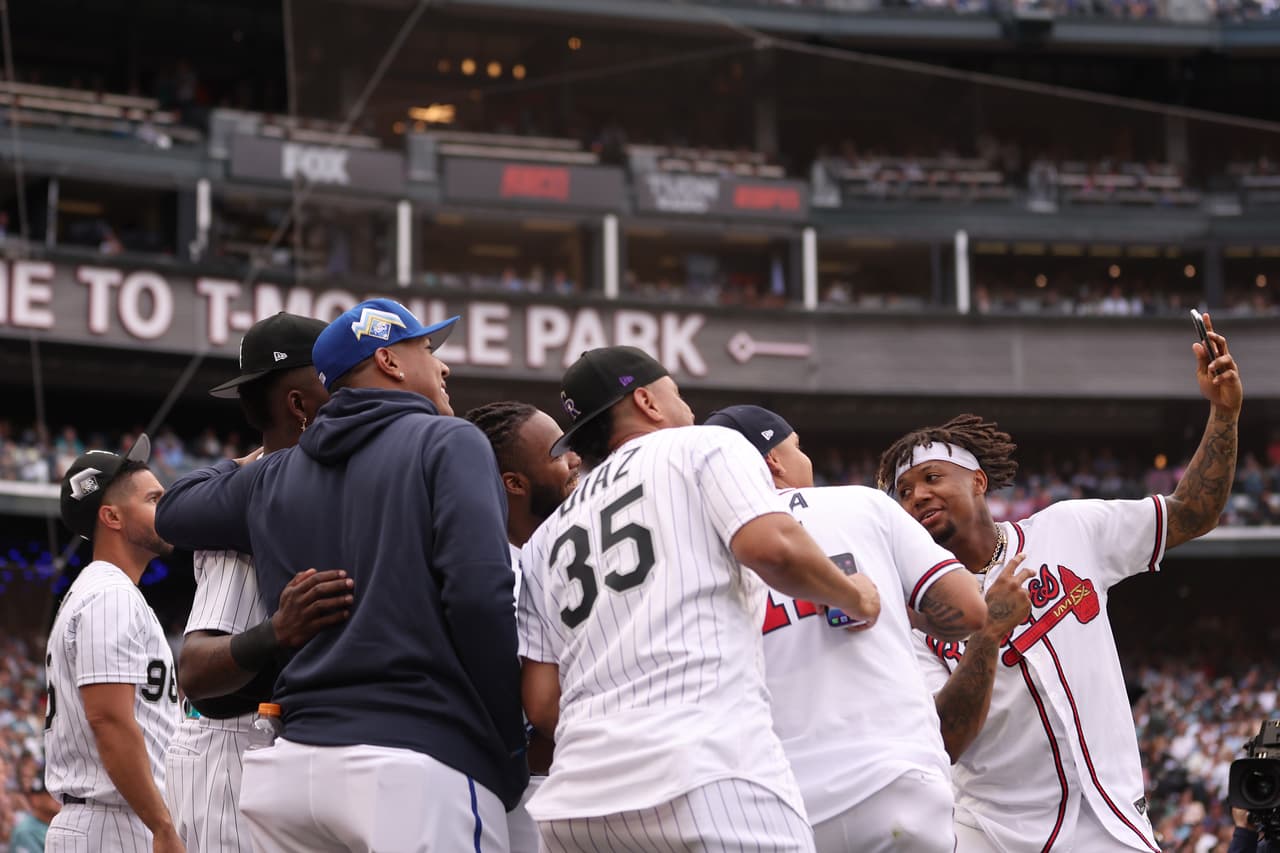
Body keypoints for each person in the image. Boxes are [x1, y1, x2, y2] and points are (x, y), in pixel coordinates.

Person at [156, 298, 526, 852]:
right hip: (414, 761)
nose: (443, 365)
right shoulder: (450, 440)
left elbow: (173, 510)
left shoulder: (273, 475)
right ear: (389, 361)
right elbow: (479, 598)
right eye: (427, 348)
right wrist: (508, 745)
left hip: (293, 774)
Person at [876, 314, 1242, 852]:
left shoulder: (1068, 529)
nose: (918, 496)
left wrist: (1224, 414)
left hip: (1110, 821)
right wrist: (989, 632)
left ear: (978, 481)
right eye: (904, 492)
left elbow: (1192, 511)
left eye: (931, 478)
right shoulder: (913, 619)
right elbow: (945, 739)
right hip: (993, 835)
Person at [518, 346, 881, 852]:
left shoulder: (542, 540)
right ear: (647, 401)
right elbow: (772, 548)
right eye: (678, 393)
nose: (687, 408)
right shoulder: (703, 445)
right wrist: (853, 595)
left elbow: (541, 703)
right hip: (706, 769)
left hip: (577, 804)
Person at [705, 404, 993, 853]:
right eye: (797, 447)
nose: (804, 457)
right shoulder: (859, 503)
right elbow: (970, 611)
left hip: (774, 808)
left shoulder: (703, 551)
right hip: (894, 785)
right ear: (773, 460)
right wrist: (894, 606)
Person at [163, 312, 355, 853]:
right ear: (299, 403)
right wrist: (276, 631)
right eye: (336, 379)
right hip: (232, 755)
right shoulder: (246, 514)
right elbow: (196, 671)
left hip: (272, 750)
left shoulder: (256, 488)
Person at [46, 435, 183, 852]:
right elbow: (109, 719)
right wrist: (162, 825)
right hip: (114, 824)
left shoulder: (108, 591)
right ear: (112, 517)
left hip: (116, 819)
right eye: (153, 499)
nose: (166, 508)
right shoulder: (110, 595)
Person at [466, 401, 582, 853]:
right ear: (514, 483)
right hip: (522, 789)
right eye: (558, 452)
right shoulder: (493, 572)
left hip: (567, 779)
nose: (575, 460)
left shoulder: (563, 551)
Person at [10, 777, 59, 853]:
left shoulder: (58, 824)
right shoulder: (25, 831)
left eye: (59, 793)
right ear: (35, 799)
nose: (58, 797)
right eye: (50, 794)